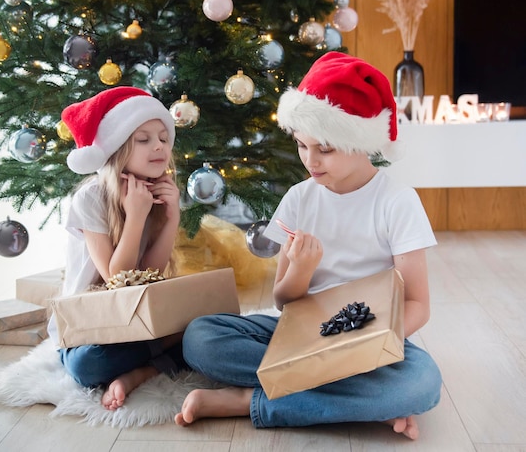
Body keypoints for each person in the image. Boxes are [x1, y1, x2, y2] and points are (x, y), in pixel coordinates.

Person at [175, 52, 442, 440]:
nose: (310, 161)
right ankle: (360, 402)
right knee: (200, 337)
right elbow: (283, 301)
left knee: (421, 384)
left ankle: (247, 400)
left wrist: (360, 349)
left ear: (361, 140)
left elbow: (417, 304)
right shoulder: (300, 198)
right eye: (302, 145)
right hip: (296, 334)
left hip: (367, 336)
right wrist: (300, 270)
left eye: (325, 149)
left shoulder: (397, 202)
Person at [47, 86, 185, 411]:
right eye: (144, 139)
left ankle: (138, 372)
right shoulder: (90, 198)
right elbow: (117, 278)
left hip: (134, 318)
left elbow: (150, 274)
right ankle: (156, 360)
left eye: (164, 138)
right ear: (118, 147)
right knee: (87, 365)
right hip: (90, 327)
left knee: (203, 328)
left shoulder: (157, 190)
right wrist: (135, 216)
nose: (159, 147)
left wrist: (171, 217)